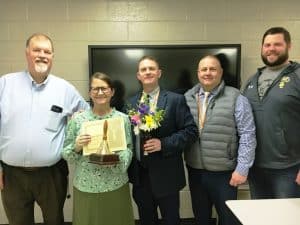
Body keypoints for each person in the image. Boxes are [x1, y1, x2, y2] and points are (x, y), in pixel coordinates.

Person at [0, 33, 89, 225]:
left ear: (52, 56)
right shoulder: (5, 84)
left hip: (51, 174)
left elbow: (89, 115)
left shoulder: (65, 89)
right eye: (36, 50)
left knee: (54, 220)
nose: (42, 55)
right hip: (11, 175)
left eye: (47, 51)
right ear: (27, 53)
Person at [125, 55, 198, 225]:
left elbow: (191, 132)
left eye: (151, 68)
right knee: (146, 220)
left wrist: (163, 144)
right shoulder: (130, 103)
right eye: (144, 69)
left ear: (159, 73)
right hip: (140, 178)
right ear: (138, 75)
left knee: (171, 220)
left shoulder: (175, 100)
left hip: (167, 177)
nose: (148, 72)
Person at [184, 55, 256, 225]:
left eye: (213, 69)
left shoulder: (236, 97)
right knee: (201, 217)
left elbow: (248, 134)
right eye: (204, 69)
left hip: (225, 173)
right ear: (198, 73)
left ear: (221, 72)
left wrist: (242, 168)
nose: (208, 73)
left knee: (227, 219)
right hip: (196, 170)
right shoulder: (187, 97)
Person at [62, 72, 134, 225]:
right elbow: (66, 154)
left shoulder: (123, 119)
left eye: (104, 88)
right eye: (95, 89)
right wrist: (77, 146)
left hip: (115, 184)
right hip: (86, 186)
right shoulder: (78, 120)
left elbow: (129, 150)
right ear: (89, 92)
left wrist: (116, 158)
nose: (100, 92)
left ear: (112, 91)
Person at [243, 27, 300, 199]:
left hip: (288, 169)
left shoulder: (297, 76)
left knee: (285, 219)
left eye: (277, 44)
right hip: (256, 168)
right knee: (261, 218)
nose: (271, 49)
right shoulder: (252, 80)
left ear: (288, 46)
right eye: (267, 45)